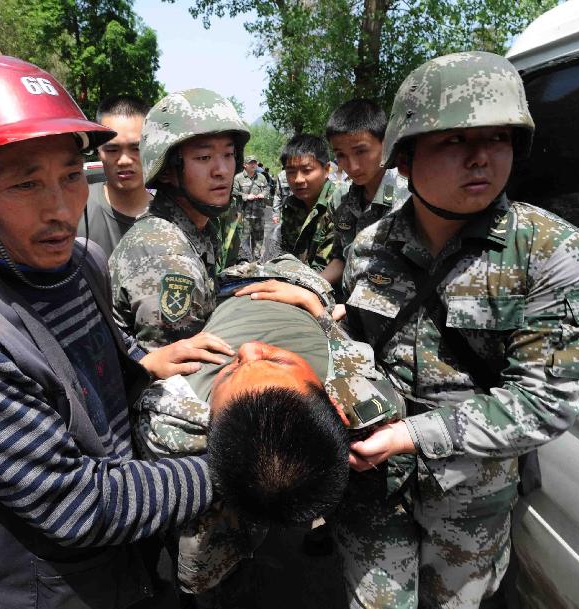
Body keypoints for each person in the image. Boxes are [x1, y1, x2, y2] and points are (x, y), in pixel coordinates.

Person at [0, 55, 235, 609]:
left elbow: (98, 376)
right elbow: (77, 506)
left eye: (71, 176)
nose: (60, 209)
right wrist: (239, 465)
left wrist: (144, 360)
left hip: (123, 573)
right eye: (26, 184)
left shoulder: (83, 265)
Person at [338, 51, 579, 609]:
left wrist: (413, 436)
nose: (481, 158)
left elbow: (547, 400)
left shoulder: (552, 254)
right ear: (404, 157)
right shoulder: (370, 247)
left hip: (469, 498)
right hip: (371, 487)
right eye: (453, 141)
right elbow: (357, 348)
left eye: (498, 138)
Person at [134, 256, 405, 603]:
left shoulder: (168, 417)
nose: (247, 350)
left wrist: (144, 369)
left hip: (244, 284)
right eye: (276, 360)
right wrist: (319, 313)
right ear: (335, 402)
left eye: (230, 371)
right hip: (292, 282)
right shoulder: (362, 397)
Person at [109, 89, 250, 351]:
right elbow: (180, 379)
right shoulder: (166, 256)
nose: (221, 171)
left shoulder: (197, 226)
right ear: (166, 172)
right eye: (204, 158)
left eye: (228, 155)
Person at [324, 98, 409, 287]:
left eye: (361, 151)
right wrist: (314, 286)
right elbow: (340, 257)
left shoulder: (409, 197)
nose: (352, 166)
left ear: (386, 143)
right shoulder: (341, 199)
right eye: (341, 155)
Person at [76, 95, 153, 258]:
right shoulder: (74, 212)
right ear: (98, 150)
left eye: (136, 148)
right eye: (112, 150)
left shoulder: (175, 218)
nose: (124, 160)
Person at [277, 134, 348, 276]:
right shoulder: (291, 206)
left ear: (327, 170)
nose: (298, 179)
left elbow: (329, 265)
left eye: (307, 170)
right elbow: (286, 253)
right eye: (290, 172)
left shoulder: (340, 205)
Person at [231, 155, 269, 262]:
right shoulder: (238, 177)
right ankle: (244, 261)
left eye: (255, 163)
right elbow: (234, 192)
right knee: (244, 239)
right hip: (244, 214)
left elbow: (267, 188)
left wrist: (263, 194)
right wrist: (246, 196)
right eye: (251, 163)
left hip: (259, 214)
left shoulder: (262, 177)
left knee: (258, 239)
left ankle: (256, 261)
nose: (253, 165)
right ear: (245, 165)